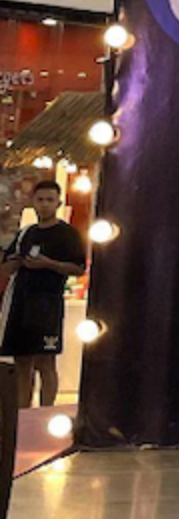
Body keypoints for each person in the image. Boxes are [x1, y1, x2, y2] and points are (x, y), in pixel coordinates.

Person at [1, 173, 86, 409]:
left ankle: (46, 411)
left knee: (45, 362)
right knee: (22, 362)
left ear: (58, 203)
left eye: (50, 200)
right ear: (33, 202)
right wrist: (15, 262)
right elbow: (6, 268)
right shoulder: (25, 234)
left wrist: (50, 264)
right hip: (21, 303)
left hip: (47, 303)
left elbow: (78, 268)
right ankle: (22, 413)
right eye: (40, 200)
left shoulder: (67, 234)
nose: (45, 204)